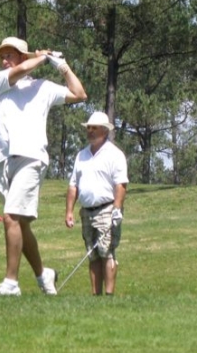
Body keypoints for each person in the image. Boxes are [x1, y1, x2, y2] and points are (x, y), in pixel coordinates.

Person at [0, 36, 87, 296]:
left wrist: (61, 66)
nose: (5, 60)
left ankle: (11, 283)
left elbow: (79, 94)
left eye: (10, 55)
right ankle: (44, 275)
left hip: (31, 157)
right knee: (19, 224)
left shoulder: (43, 87)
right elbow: (20, 71)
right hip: (4, 161)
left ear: (23, 56)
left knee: (10, 216)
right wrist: (42, 57)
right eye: (2, 56)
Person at [64, 111, 128, 296]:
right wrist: (69, 211)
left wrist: (117, 209)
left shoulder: (114, 155)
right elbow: (73, 186)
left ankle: (108, 295)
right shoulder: (81, 155)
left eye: (94, 128)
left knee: (106, 252)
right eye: (89, 128)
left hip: (107, 209)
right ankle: (95, 296)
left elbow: (121, 184)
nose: (90, 132)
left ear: (105, 131)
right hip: (86, 211)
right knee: (91, 254)